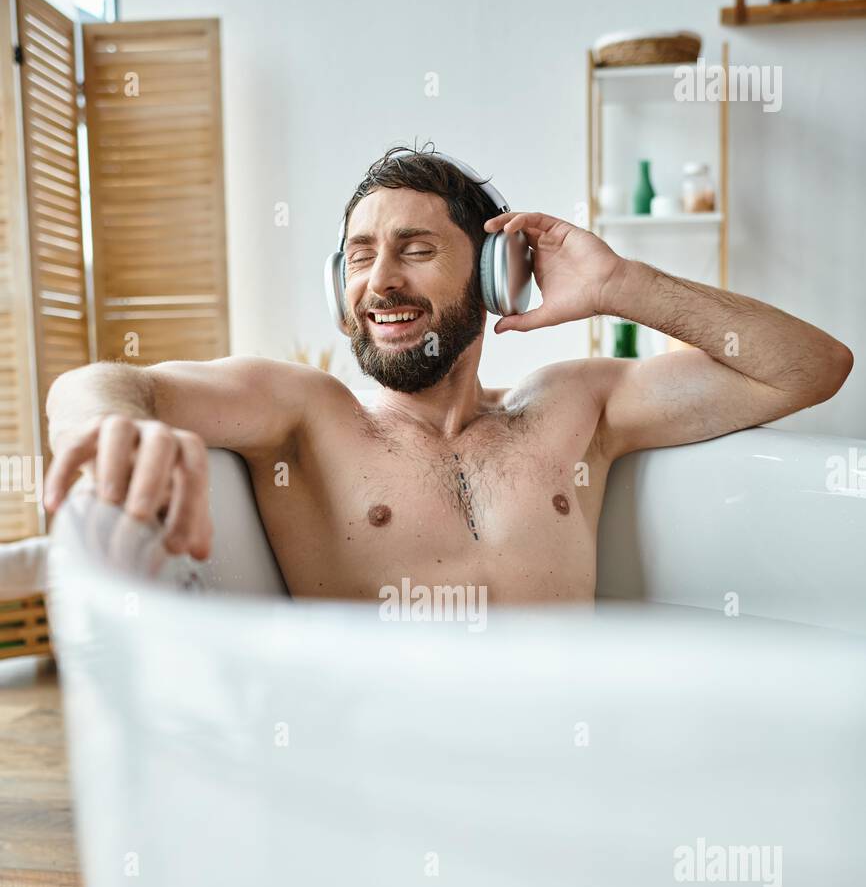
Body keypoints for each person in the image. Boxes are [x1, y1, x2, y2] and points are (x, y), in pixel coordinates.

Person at [43, 146, 852, 604]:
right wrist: (117, 429)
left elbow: (809, 369)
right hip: (390, 789)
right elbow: (102, 383)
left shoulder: (576, 410)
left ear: (497, 276)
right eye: (360, 258)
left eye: (417, 250)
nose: (381, 281)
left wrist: (623, 286)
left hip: (561, 775)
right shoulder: (307, 416)